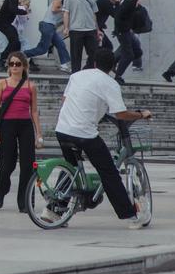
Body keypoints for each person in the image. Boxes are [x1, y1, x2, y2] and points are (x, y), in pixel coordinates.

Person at [49, 48, 153, 229]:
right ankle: (130, 215)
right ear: (113, 66)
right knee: (109, 173)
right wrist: (141, 114)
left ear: (94, 62)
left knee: (71, 168)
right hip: (84, 134)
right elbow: (120, 114)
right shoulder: (110, 83)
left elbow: (66, 100)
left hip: (63, 129)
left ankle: (53, 211)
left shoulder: (78, 75)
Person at [0, 51, 42, 213]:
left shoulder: (30, 86)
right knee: (6, 164)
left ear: (24, 66)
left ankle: (24, 203)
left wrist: (38, 133)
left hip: (25, 125)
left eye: (17, 64)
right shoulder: (2, 84)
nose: (14, 67)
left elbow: (34, 111)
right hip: (7, 126)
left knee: (28, 165)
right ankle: (1, 190)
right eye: (11, 64)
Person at [112, 0, 149, 85]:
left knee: (137, 52)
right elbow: (119, 16)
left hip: (126, 30)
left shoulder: (133, 1)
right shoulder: (131, 2)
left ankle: (113, 61)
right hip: (123, 31)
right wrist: (118, 30)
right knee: (128, 55)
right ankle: (118, 76)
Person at [62, 0, 100, 73]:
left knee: (94, 55)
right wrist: (66, 27)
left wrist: (97, 29)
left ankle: (87, 73)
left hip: (90, 29)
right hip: (76, 29)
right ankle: (75, 76)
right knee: (76, 56)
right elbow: (66, 13)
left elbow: (94, 13)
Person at [24, 0, 71, 72]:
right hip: (47, 25)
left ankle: (64, 65)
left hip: (51, 27)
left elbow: (59, 21)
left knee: (61, 44)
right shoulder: (58, 0)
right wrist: (64, 10)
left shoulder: (64, 6)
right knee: (42, 49)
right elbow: (53, 9)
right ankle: (21, 55)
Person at [0, 0, 28, 70]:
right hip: (2, 23)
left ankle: (9, 61)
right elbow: (12, 9)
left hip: (6, 23)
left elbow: (12, 9)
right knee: (15, 42)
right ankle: (2, 59)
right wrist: (23, 11)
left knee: (17, 43)